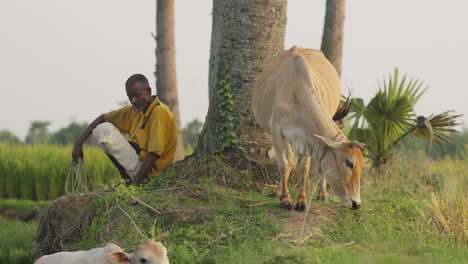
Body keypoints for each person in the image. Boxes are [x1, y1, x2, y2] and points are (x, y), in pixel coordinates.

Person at [72, 74, 177, 185]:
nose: (133, 100)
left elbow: (153, 154)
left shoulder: (159, 112)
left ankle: (135, 182)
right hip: (138, 165)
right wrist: (78, 143)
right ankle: (127, 180)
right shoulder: (135, 111)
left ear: (148, 91)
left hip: (152, 173)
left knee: (104, 130)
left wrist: (135, 184)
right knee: (100, 131)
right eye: (130, 97)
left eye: (137, 96)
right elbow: (103, 118)